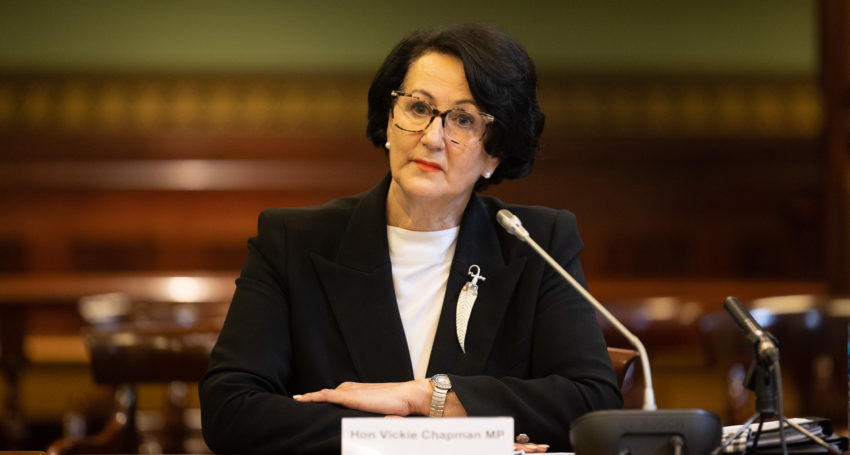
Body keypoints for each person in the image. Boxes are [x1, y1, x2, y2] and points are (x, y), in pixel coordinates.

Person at [199, 23, 622, 454]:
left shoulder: (536, 244)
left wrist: (425, 398)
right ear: (389, 119)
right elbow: (230, 409)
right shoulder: (292, 242)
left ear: (494, 153)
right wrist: (433, 444)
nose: (431, 137)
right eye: (418, 108)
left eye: (462, 119)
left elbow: (593, 403)